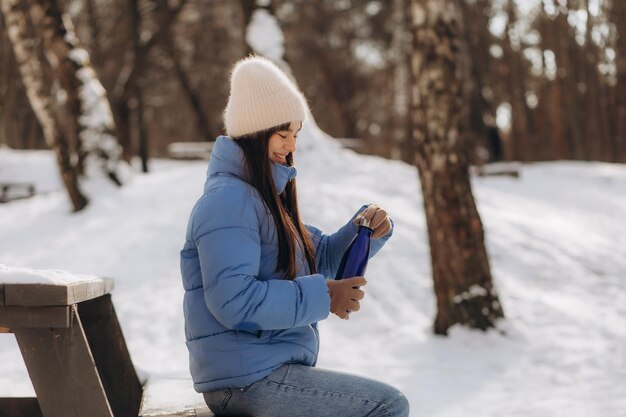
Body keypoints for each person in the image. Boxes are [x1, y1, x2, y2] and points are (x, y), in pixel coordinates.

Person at [180, 56, 410, 417]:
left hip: (258, 372)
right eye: (282, 134)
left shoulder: (263, 198)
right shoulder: (229, 201)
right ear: (255, 135)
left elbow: (322, 258)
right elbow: (233, 300)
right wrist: (324, 295)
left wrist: (364, 230)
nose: (290, 145)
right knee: (387, 406)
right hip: (244, 380)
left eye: (296, 135)